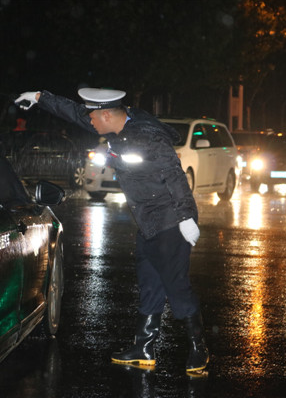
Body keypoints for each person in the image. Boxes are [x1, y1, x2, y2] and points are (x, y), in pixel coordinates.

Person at [15, 88, 209, 374]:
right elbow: (76, 114)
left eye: (93, 117)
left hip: (171, 223)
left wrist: (186, 217)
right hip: (147, 223)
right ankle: (144, 347)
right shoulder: (117, 127)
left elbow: (175, 175)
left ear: (106, 115)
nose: (90, 122)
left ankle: (198, 349)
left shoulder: (149, 137)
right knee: (150, 285)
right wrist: (40, 98)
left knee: (176, 286)